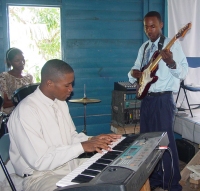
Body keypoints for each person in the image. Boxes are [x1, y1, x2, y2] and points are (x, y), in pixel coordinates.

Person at [7, 59, 121, 191]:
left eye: (71, 84)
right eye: (67, 85)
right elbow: (40, 162)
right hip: (40, 176)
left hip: (68, 165)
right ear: (49, 83)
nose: (71, 90)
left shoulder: (60, 103)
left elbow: (71, 137)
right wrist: (83, 146)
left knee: (115, 171)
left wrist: (93, 140)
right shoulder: (26, 111)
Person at [128, 11, 188, 191]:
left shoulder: (173, 45)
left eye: (153, 26)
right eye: (146, 26)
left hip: (163, 100)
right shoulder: (144, 47)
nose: (149, 30)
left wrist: (171, 63)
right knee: (148, 143)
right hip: (147, 99)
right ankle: (154, 182)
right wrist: (135, 73)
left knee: (166, 143)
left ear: (161, 25)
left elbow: (183, 72)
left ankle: (172, 185)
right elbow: (133, 70)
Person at [0, 47, 34, 115]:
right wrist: (22, 100)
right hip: (11, 115)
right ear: (10, 62)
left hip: (27, 113)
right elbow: (4, 103)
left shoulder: (29, 77)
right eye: (17, 60)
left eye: (22, 59)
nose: (21, 62)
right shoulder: (4, 77)